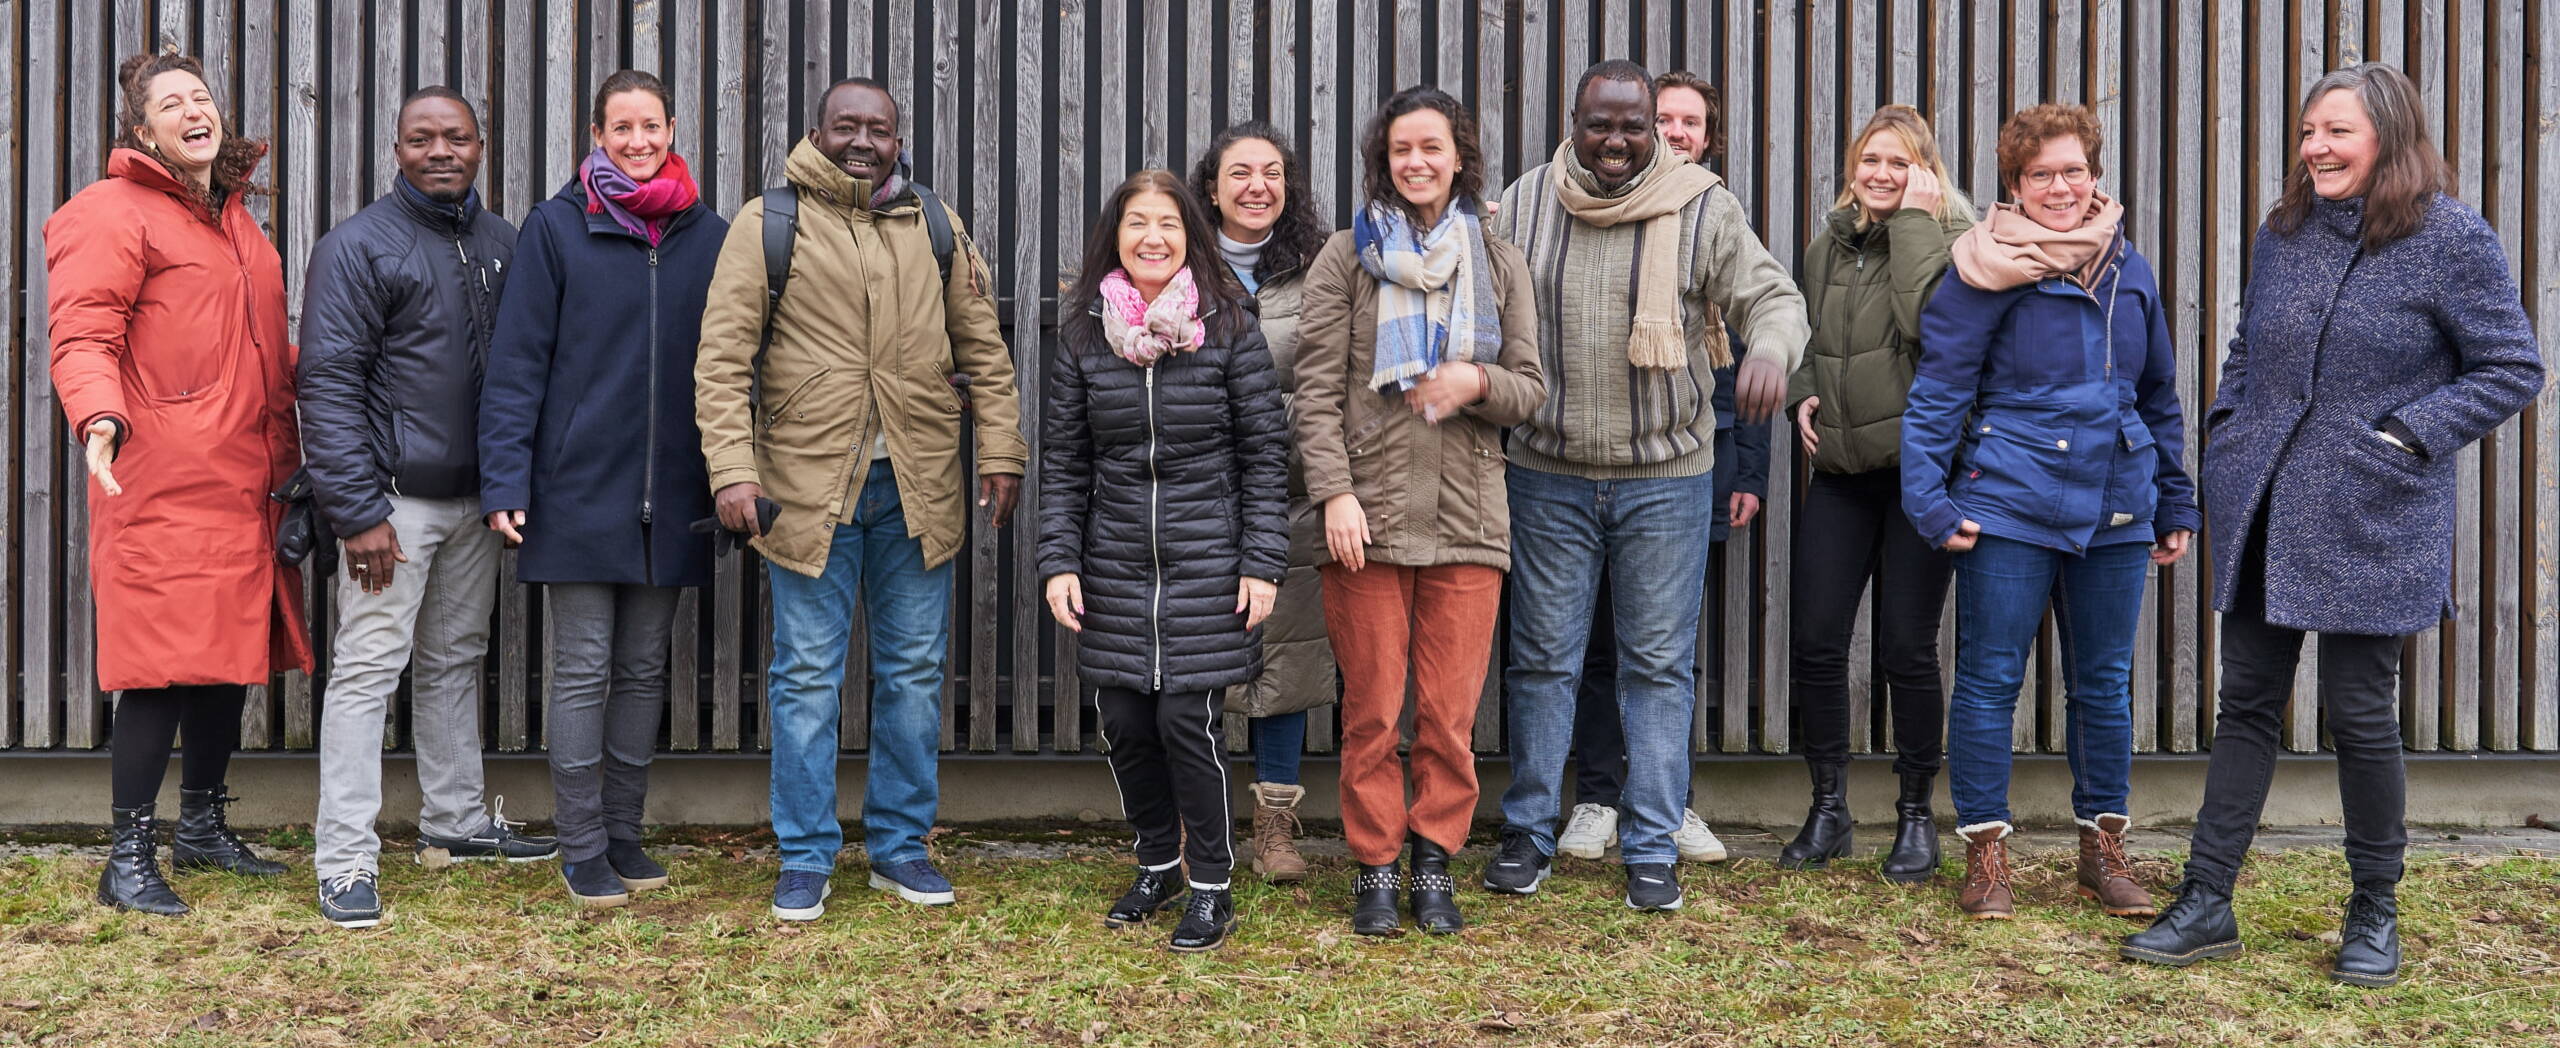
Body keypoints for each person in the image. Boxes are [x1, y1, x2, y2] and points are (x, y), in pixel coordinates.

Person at [2122, 64, 2543, 987]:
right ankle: (2206, 899)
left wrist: (2404, 434)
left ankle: (2374, 910)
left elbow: (2511, 366)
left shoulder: (2449, 237)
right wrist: (2229, 429)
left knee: (2360, 714)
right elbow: (2247, 346)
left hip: (2373, 512)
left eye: (2336, 132)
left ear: (2388, 136)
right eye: (2310, 131)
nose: (2315, 147)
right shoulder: (2288, 232)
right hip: (2267, 504)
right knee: (2245, 708)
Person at [695, 78, 1026, 921]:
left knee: (913, 675)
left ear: (897, 137)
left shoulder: (936, 225)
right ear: (817, 130)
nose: (863, 141)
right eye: (847, 125)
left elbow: (982, 351)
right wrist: (733, 471)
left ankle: (900, 848)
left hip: (919, 486)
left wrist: (1003, 452)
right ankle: (805, 856)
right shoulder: (768, 223)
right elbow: (723, 361)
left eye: (878, 128)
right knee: (806, 677)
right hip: (808, 493)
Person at [1486, 60, 1809, 912]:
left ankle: (1653, 838)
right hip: (1545, 474)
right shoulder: (1522, 203)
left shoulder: (1702, 205)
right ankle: (1527, 830)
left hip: (1666, 478)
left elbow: (1771, 296)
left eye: (1635, 125)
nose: (1620, 141)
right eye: (1603, 125)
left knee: (1658, 668)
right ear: (1574, 123)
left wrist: (1770, 350)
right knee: (1541, 664)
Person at [1900, 102, 2197, 921]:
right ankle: (1986, 857)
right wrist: (1928, 498)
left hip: (2115, 505)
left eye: (2073, 171)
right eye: (2041, 175)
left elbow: (2158, 394)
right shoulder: (1981, 267)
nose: (2060, 188)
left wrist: (2173, 495)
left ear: (2094, 176)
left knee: (2104, 685)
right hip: (2008, 501)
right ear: (2014, 186)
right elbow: (1938, 395)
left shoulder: (2127, 266)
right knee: (1991, 680)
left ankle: (2102, 852)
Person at [48, 52, 309, 917]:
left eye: (202, 98)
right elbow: (83, 332)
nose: (194, 111)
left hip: (244, 480)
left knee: (221, 661)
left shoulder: (238, 224)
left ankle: (200, 826)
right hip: (156, 479)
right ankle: (126, 857)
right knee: (158, 669)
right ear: (141, 130)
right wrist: (100, 419)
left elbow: (260, 351)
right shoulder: (109, 212)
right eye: (172, 103)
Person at [300, 87, 560, 927]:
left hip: (478, 501)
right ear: (398, 148)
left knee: (455, 658)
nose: (439, 151)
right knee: (369, 673)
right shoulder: (356, 247)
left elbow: (524, 375)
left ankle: (452, 825)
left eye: (456, 137)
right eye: (422, 138)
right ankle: (344, 860)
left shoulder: (502, 243)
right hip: (394, 507)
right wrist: (357, 511)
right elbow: (328, 384)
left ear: (481, 146)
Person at [1293, 87, 1546, 935]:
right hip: (1363, 515)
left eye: (1431, 148)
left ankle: (1434, 862)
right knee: (1370, 708)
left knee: (1447, 713)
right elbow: (1315, 392)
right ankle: (1374, 867)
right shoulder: (1345, 258)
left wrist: (1476, 381)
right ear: (1384, 160)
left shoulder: (1499, 261)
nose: (1417, 163)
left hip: (1469, 517)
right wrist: (1333, 493)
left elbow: (1532, 393)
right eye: (1402, 149)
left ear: (1458, 155)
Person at [480, 69, 725, 910]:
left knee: (645, 669)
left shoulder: (709, 235)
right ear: (595, 135)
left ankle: (624, 830)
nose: (636, 141)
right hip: (576, 490)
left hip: (677, 490)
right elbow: (515, 367)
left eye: (649, 125)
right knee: (583, 670)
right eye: (619, 127)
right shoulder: (555, 228)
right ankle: (581, 844)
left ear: (671, 128)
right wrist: (506, 479)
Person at [1039, 170, 1289, 953]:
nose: (1153, 237)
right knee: (1124, 723)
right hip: (1112, 563)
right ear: (1115, 235)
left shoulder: (1231, 326)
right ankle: (1158, 863)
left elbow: (1264, 458)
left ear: (1191, 237)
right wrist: (1058, 561)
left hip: (1209, 563)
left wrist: (1262, 563)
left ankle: (1211, 887)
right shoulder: (1084, 331)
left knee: (1189, 722)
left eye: (1169, 225)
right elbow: (1065, 461)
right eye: (1137, 223)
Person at [1556, 70, 1770, 867]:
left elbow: (1743, 358)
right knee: (1592, 647)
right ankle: (1598, 797)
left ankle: (1667, 799)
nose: (1675, 132)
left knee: (1666, 649)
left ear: (1705, 138)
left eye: (1689, 123)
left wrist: (1749, 473)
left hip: (1688, 467)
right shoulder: (1575, 204)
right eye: (1665, 119)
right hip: (1578, 464)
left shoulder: (1714, 217)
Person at [1773, 104, 1972, 882]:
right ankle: (1829, 808)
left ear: (1925, 171)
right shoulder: (1828, 246)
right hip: (1843, 475)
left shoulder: (1956, 240)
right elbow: (1806, 334)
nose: (1882, 175)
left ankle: (1916, 816)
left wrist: (1918, 223)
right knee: (1817, 641)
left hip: (1920, 477)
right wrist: (1803, 393)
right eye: (1872, 161)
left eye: (1901, 163)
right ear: (1853, 165)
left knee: (1905, 649)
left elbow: (1932, 324)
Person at [1188, 122, 1337, 885]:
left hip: (1290, 499)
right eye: (1240, 172)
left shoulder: (1319, 272)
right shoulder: (1174, 265)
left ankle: (1275, 825)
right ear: (1209, 186)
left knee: (1286, 665)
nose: (1257, 186)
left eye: (1272, 173)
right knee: (1193, 666)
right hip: (1193, 502)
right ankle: (1198, 823)